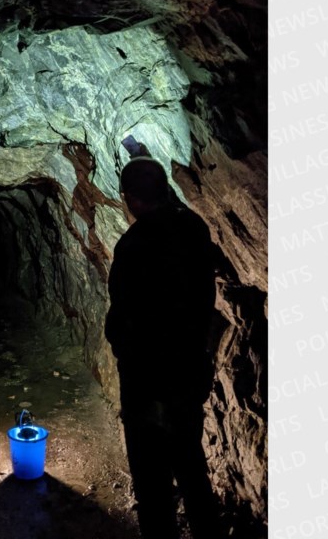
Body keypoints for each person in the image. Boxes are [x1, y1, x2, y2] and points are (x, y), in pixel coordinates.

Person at [105, 157, 221, 539]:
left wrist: (123, 346)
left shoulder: (134, 244)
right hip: (189, 369)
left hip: (147, 381)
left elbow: (122, 318)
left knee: (152, 479)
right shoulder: (195, 228)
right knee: (190, 462)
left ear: (132, 199)